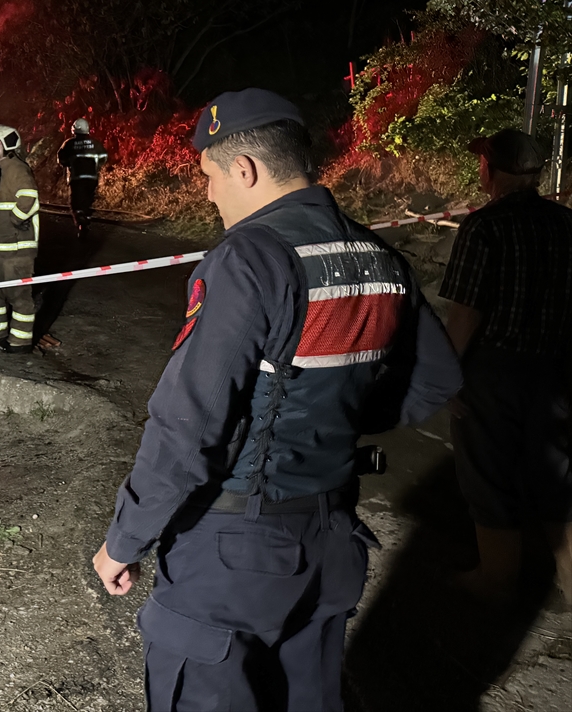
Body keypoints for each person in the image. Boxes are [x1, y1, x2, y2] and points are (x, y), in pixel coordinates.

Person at [92, 88, 462, 711]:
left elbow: (189, 426)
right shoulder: (378, 255)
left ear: (245, 169)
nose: (208, 194)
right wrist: (334, 414)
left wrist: (123, 541)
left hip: (235, 554)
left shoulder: (249, 258)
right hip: (330, 542)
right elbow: (435, 381)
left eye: (209, 176)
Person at [439, 128, 572, 607]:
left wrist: (445, 376)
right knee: (557, 473)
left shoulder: (484, 227)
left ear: (491, 170)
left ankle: (496, 579)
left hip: (493, 372)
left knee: (488, 472)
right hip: (554, 368)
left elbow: (465, 313)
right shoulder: (566, 223)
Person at [0, 125, 39, 352]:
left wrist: (15, 220)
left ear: (8, 144)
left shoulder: (16, 167)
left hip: (17, 246)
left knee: (19, 295)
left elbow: (29, 198)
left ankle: (20, 341)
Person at [57, 117, 108, 237]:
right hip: (92, 178)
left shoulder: (69, 144)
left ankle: (80, 219)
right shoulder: (95, 143)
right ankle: (86, 217)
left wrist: (69, 163)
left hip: (76, 178)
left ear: (74, 130)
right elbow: (104, 158)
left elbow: (61, 159)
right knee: (89, 198)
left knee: (76, 202)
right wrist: (96, 165)